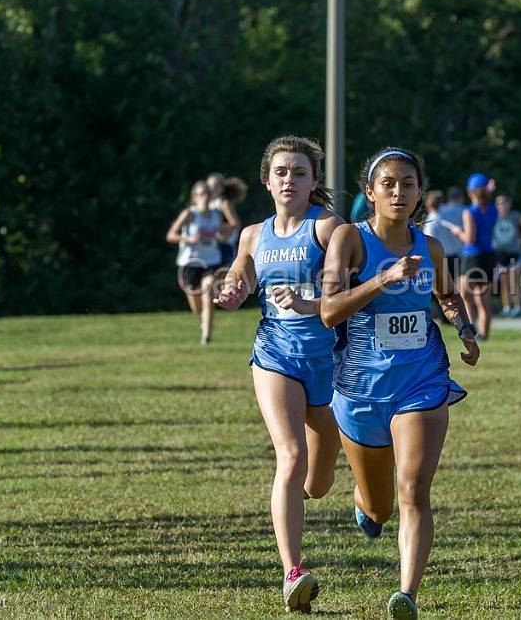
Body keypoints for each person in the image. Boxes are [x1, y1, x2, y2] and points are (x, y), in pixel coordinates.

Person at [320, 147, 479, 620]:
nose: (398, 191)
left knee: (414, 489)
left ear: (418, 194)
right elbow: (329, 312)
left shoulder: (429, 247)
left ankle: (406, 595)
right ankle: (365, 502)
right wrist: (382, 279)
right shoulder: (350, 239)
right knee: (381, 507)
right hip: (359, 386)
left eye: (407, 183)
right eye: (388, 183)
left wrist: (464, 328)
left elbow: (448, 296)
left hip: (422, 381)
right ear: (370, 193)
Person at [213, 136, 344, 614]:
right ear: (267, 181)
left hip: (330, 361)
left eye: (300, 172)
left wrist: (312, 303)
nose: (290, 179)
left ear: (313, 182)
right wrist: (231, 291)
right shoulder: (252, 234)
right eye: (282, 172)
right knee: (290, 457)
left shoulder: (328, 227)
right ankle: (293, 571)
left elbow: (342, 287)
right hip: (275, 354)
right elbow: (240, 276)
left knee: (317, 482)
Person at [165, 181, 231, 344]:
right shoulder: (190, 214)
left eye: (208, 193)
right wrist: (188, 238)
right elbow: (171, 235)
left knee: (208, 293)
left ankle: (206, 337)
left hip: (211, 261)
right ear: (195, 197)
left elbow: (229, 227)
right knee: (196, 305)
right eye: (202, 194)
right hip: (189, 262)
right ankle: (203, 322)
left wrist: (223, 235)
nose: (206, 197)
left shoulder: (216, 214)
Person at [456, 173, 497, 340]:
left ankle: (471, 331)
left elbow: (470, 238)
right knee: (483, 301)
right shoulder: (493, 209)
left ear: (470, 191)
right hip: (488, 256)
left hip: (472, 257)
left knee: (465, 296)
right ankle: (485, 334)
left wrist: (458, 232)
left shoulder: (469, 212)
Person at [492, 193, 521, 317]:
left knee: (514, 281)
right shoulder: (493, 216)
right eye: (498, 203)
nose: (501, 205)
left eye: (503, 202)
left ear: (509, 204)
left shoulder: (514, 216)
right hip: (500, 253)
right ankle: (506, 307)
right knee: (504, 282)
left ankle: (518, 307)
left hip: (515, 253)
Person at [206, 172, 244, 269]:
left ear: (221, 189)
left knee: (223, 278)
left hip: (225, 245)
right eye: (209, 186)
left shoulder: (223, 203)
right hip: (212, 246)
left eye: (214, 186)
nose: (211, 189)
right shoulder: (206, 204)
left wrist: (219, 229)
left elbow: (235, 224)